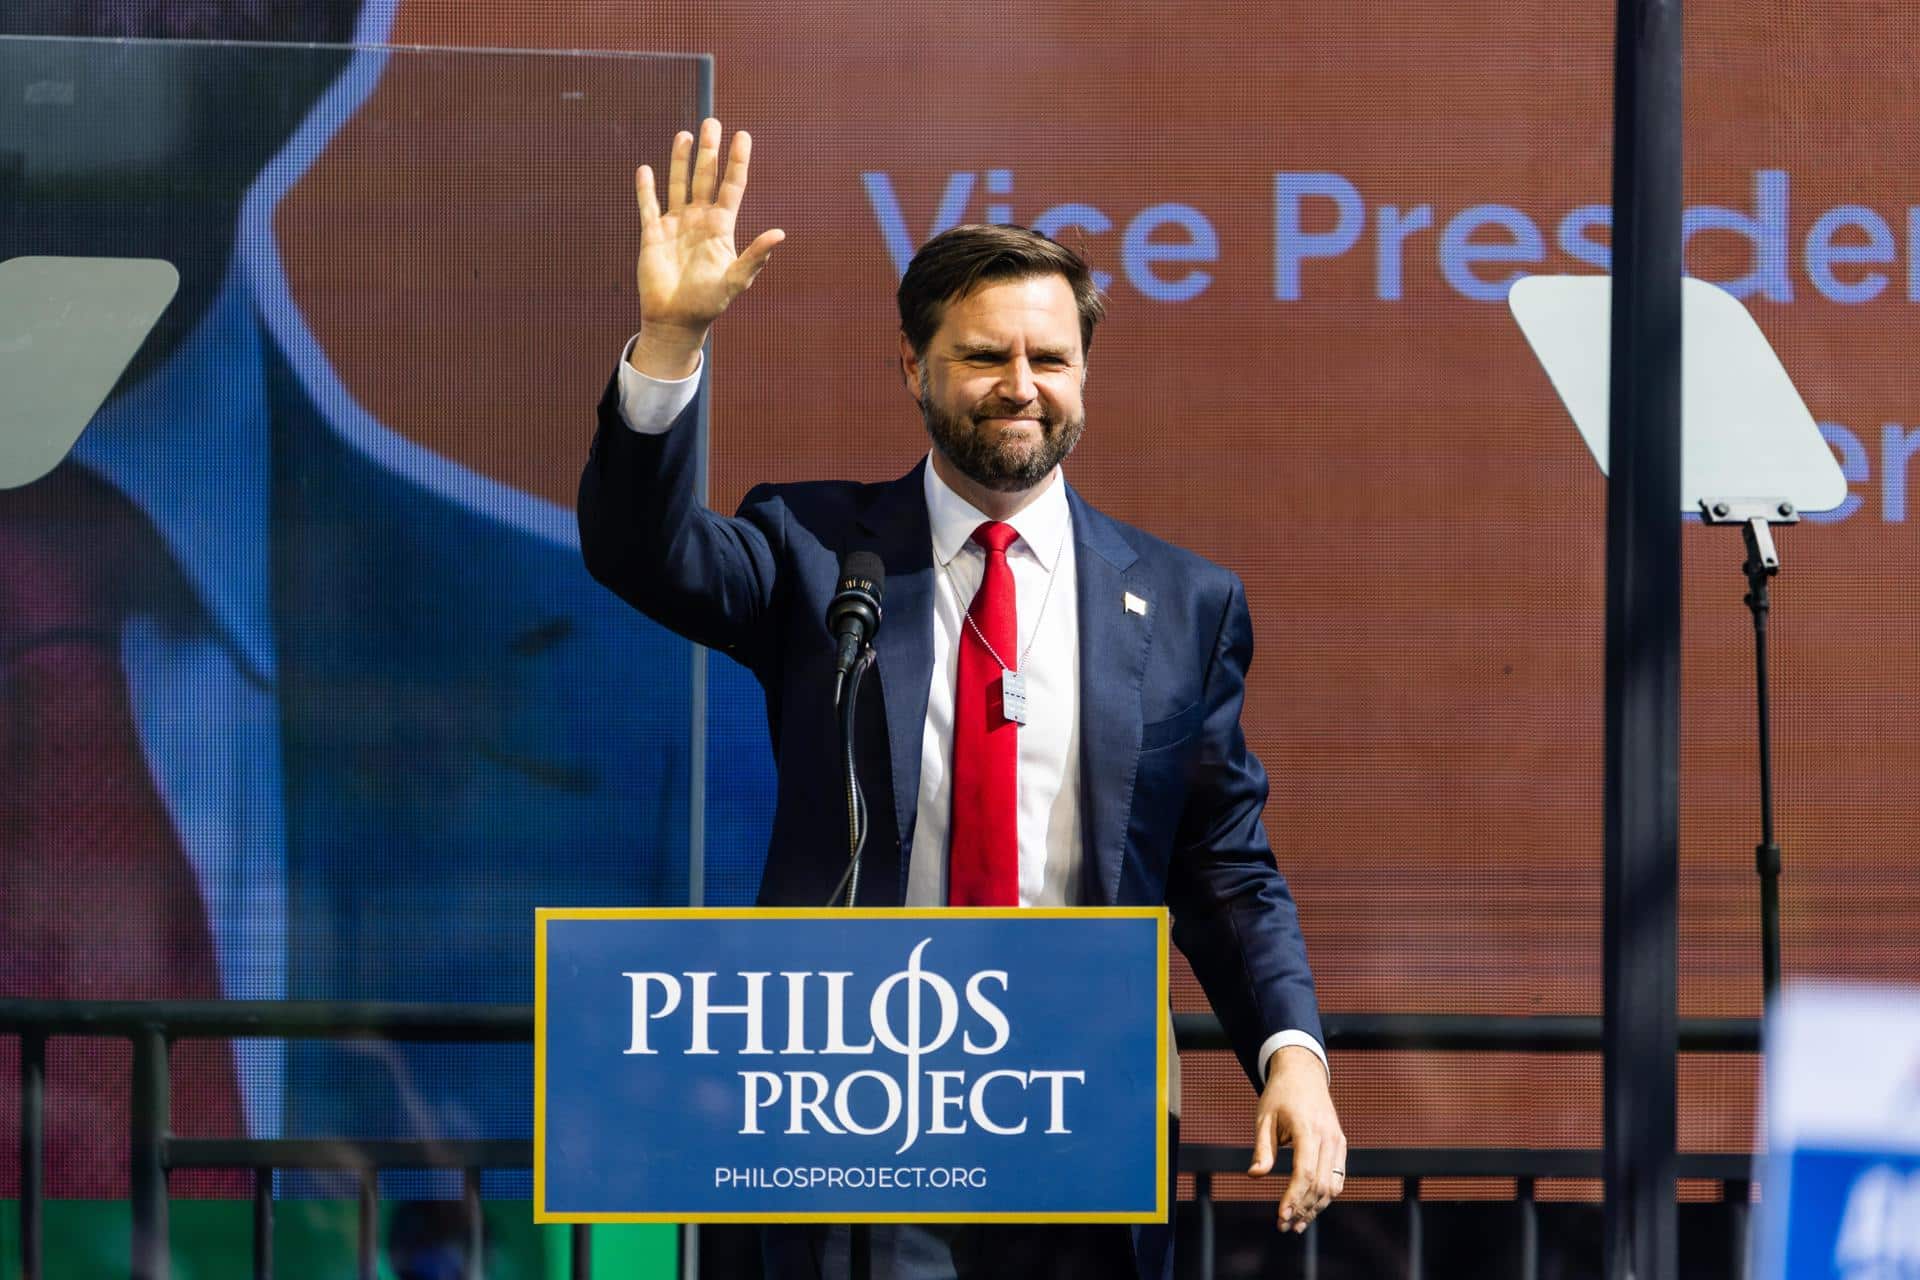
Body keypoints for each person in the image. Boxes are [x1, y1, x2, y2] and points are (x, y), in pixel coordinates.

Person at [579, 118, 1348, 1279]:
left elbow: (1223, 861)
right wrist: (672, 337)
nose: (1021, 388)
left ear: (1086, 373)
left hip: (1077, 1101)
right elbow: (641, 549)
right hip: (851, 1098)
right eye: (986, 356)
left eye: (1050, 358)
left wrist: (1291, 1051)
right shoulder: (813, 548)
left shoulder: (1185, 601)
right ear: (913, 367)